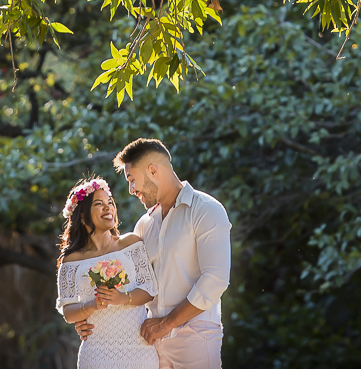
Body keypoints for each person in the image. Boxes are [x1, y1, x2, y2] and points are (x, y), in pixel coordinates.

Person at [74, 139, 232, 369]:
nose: (131, 190)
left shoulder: (206, 210)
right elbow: (129, 288)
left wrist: (167, 323)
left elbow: (215, 280)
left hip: (196, 338)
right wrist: (89, 317)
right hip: (149, 343)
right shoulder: (143, 226)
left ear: (153, 170)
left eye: (132, 179)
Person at [56, 176, 160, 369]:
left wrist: (122, 298)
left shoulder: (131, 243)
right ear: (82, 215)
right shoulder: (71, 261)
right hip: (96, 355)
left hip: (138, 350)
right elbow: (68, 312)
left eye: (109, 203)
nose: (108, 207)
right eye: (99, 204)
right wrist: (91, 306)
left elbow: (149, 288)